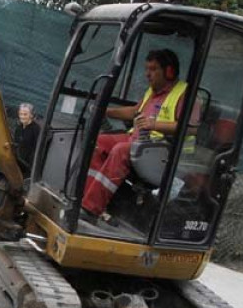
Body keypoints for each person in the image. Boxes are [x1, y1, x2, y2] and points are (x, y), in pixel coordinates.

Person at [81, 49, 189, 220]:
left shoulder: (186, 95)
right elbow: (135, 112)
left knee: (120, 150)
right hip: (137, 139)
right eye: (147, 69)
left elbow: (191, 128)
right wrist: (105, 111)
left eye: (153, 69)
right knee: (98, 142)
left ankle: (90, 209)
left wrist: (155, 124)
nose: (147, 74)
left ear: (169, 71)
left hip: (159, 149)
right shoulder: (153, 91)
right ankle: (85, 197)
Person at [13, 102, 41, 175]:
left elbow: (37, 149)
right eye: (20, 114)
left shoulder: (36, 129)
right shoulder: (18, 128)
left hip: (29, 166)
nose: (22, 116)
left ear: (31, 115)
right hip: (18, 163)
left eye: (25, 114)